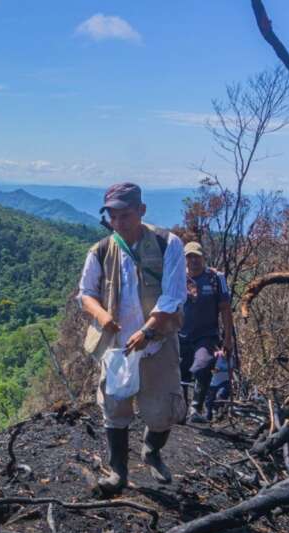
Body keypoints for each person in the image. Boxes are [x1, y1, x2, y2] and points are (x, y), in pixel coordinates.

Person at [78, 182, 187, 495]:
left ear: (141, 211)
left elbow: (174, 295)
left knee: (162, 411)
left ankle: (151, 450)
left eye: (124, 215)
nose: (118, 222)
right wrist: (102, 316)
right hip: (117, 347)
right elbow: (85, 293)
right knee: (115, 409)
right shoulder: (100, 250)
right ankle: (119, 474)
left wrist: (148, 330)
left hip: (157, 342)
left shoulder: (168, 244)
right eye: (112, 215)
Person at [179, 242, 233, 423]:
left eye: (197, 256)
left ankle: (195, 408)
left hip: (207, 335)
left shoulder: (215, 278)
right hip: (180, 335)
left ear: (203, 257)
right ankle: (181, 409)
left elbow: (225, 309)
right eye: (189, 256)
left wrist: (227, 339)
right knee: (181, 373)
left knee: (202, 366)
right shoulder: (177, 277)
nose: (193, 260)